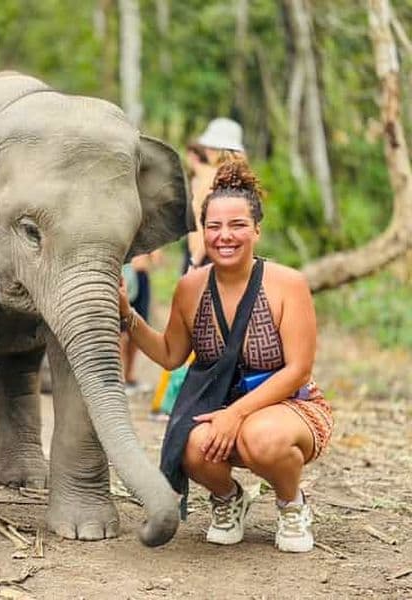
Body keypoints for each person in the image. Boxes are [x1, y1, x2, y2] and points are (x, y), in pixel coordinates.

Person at [119, 160, 333, 553]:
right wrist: (126, 313)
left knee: (260, 437)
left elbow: (299, 370)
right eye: (214, 227)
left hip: (291, 408)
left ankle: (291, 504)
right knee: (191, 444)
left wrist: (236, 415)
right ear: (203, 232)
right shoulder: (190, 288)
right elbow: (169, 355)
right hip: (220, 407)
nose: (225, 236)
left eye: (237, 225)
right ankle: (229, 498)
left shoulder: (288, 284)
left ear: (256, 229)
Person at [184, 118, 246, 273]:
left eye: (212, 147)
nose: (207, 150)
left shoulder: (218, 180)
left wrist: (195, 261)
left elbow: (213, 226)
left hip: (208, 257)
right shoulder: (239, 178)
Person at [121, 250, 162, 392]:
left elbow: (157, 256)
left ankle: (129, 376)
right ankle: (119, 377)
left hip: (141, 276)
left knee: (137, 326)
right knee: (120, 331)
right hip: (123, 275)